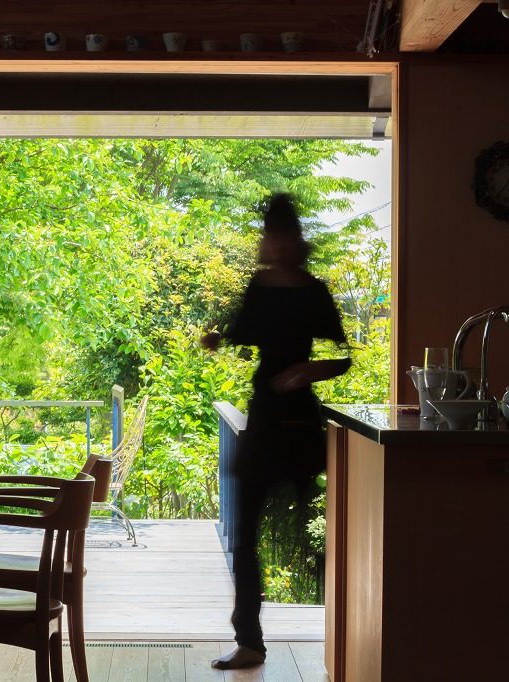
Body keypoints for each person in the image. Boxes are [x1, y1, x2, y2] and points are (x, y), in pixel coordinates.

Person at [202, 193, 351, 670]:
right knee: (244, 534)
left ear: (295, 239)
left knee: (325, 533)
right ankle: (249, 641)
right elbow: (242, 333)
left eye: (281, 234)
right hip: (265, 416)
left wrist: (308, 370)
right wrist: (216, 339)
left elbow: (347, 358)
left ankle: (354, 632)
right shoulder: (259, 287)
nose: (274, 243)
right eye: (270, 235)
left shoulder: (314, 290)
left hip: (301, 422)